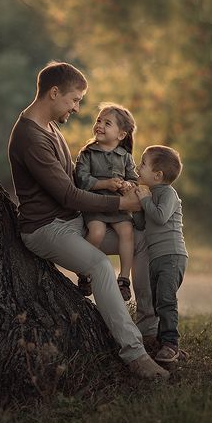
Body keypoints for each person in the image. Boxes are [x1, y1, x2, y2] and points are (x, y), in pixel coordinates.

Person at [8, 61, 168, 379]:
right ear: (54, 93)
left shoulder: (50, 127)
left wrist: (118, 185)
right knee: (98, 265)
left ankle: (150, 329)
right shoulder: (30, 137)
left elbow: (76, 186)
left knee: (142, 242)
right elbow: (69, 195)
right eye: (74, 99)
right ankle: (134, 355)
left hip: (73, 221)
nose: (77, 108)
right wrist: (121, 201)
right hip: (45, 228)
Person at [74, 104, 139, 301]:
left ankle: (123, 279)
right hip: (95, 205)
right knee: (97, 232)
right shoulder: (87, 153)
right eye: (98, 121)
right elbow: (82, 180)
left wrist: (127, 185)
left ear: (121, 134)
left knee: (127, 232)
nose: (99, 125)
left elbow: (134, 178)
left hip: (119, 206)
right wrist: (105, 183)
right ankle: (83, 270)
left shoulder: (125, 156)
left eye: (107, 123)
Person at [134, 145, 189, 363]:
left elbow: (160, 217)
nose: (139, 167)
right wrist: (135, 202)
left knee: (166, 300)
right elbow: (141, 223)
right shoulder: (151, 193)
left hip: (172, 255)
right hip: (156, 258)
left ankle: (170, 344)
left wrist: (145, 199)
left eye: (143, 164)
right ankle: (163, 344)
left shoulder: (168, 193)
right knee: (158, 302)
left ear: (157, 175)